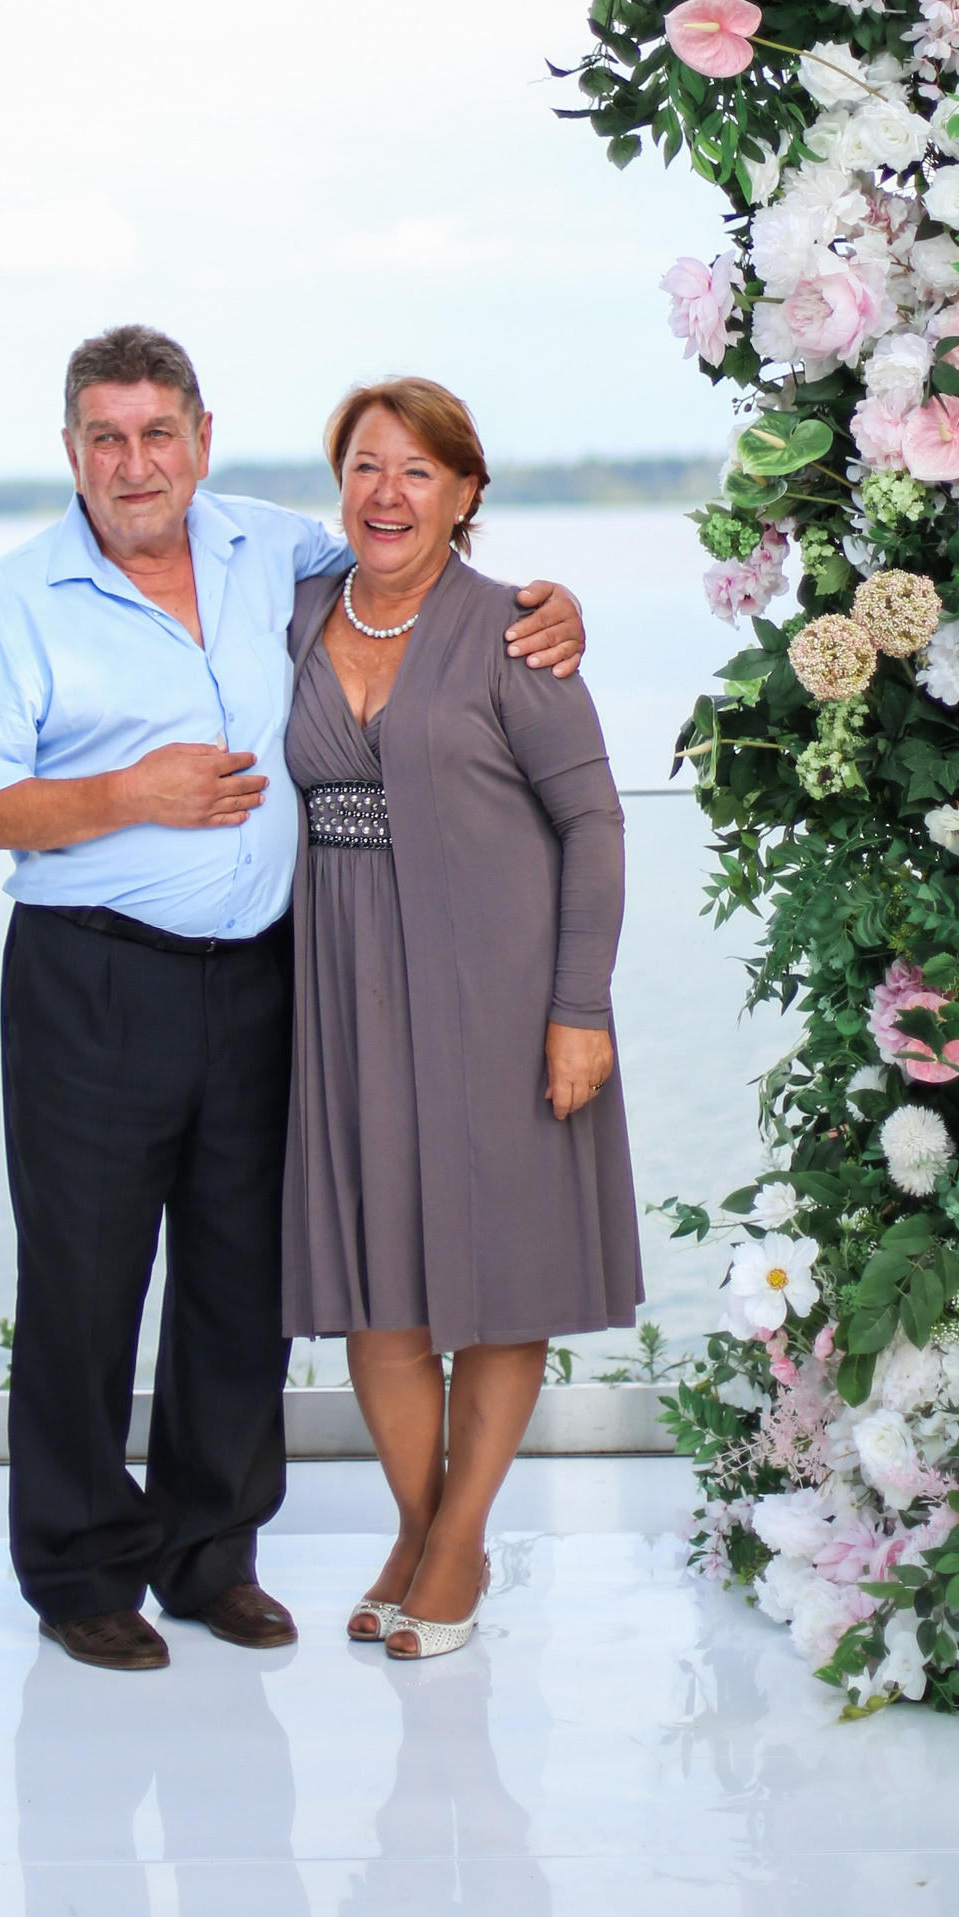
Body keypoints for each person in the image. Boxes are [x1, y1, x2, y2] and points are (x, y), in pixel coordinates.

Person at [0, 325, 588, 1674]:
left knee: (241, 1282)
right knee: (84, 1285)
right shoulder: (16, 600)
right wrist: (128, 793)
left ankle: (209, 1553)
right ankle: (79, 1569)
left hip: (265, 977)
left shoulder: (266, 548)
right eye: (106, 438)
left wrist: (550, 603)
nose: (135, 463)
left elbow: (406, 560)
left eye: (157, 434)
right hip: (92, 977)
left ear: (202, 440)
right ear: (71, 452)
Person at [281, 377, 639, 1659]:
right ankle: (426, 1529)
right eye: (366, 466)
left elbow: (595, 821)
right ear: (339, 484)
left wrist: (578, 1006)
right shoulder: (294, 612)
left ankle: (456, 1541)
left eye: (419, 470)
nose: (388, 493)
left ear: (467, 492)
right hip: (340, 991)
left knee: (498, 1274)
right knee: (377, 1281)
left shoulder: (514, 634)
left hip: (499, 991)